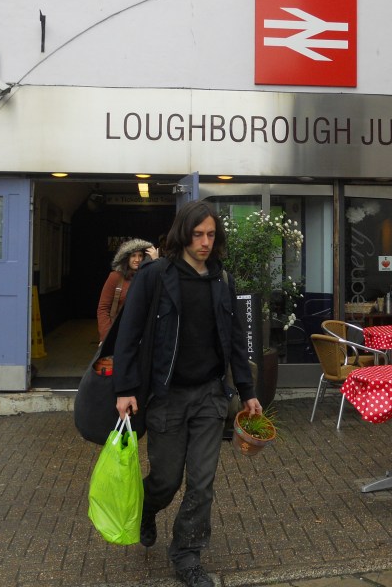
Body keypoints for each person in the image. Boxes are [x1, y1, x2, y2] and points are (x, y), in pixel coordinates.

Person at [113, 201, 261, 587]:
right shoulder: (155, 276)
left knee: (202, 481)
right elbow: (128, 333)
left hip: (210, 395)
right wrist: (125, 388)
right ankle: (148, 508)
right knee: (166, 480)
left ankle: (187, 553)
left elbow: (234, 340)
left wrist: (247, 391)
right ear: (183, 234)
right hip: (166, 396)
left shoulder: (222, 279)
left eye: (211, 235)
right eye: (198, 235)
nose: (205, 242)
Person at [95, 238, 157, 343]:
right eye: (133, 255)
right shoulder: (116, 277)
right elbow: (103, 308)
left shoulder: (149, 277)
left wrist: (156, 261)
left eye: (140, 255)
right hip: (118, 335)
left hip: (142, 337)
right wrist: (106, 337)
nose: (137, 259)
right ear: (126, 258)